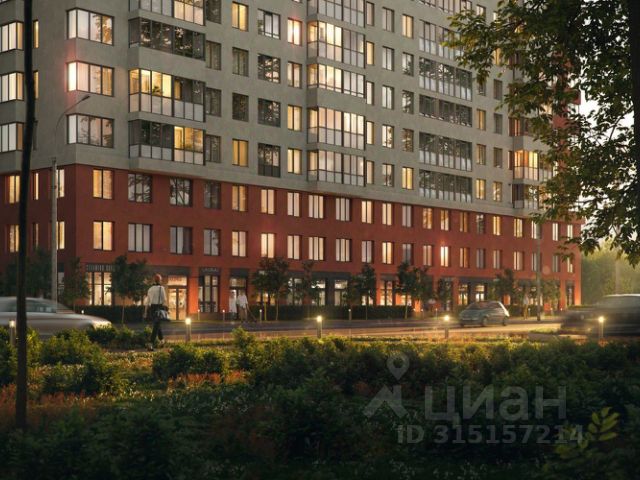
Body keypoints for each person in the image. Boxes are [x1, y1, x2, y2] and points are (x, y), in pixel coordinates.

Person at [145, 274, 167, 350]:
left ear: (154, 280)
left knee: (157, 325)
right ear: (159, 280)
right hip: (159, 308)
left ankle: (162, 341)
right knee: (156, 326)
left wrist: (145, 312)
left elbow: (147, 302)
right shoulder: (161, 288)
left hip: (152, 308)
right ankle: (150, 343)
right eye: (161, 280)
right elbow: (164, 300)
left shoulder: (150, 289)